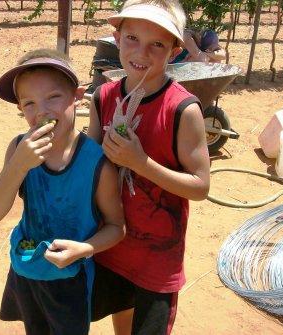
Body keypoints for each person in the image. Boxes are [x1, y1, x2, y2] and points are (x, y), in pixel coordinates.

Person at [87, 1, 210, 334]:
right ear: (116, 38)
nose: (141, 52)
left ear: (173, 50)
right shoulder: (102, 98)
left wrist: (140, 163)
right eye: (131, 38)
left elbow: (200, 186)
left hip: (157, 261)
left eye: (157, 43)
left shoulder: (183, 110)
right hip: (112, 248)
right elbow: (90, 168)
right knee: (121, 320)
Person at [0, 48, 126, 335]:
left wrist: (86, 248)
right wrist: (18, 165)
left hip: (70, 279)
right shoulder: (18, 149)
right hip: (27, 270)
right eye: (29, 103)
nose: (42, 112)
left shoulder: (97, 164)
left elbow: (116, 226)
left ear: (77, 96)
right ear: (20, 109)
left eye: (53, 97)